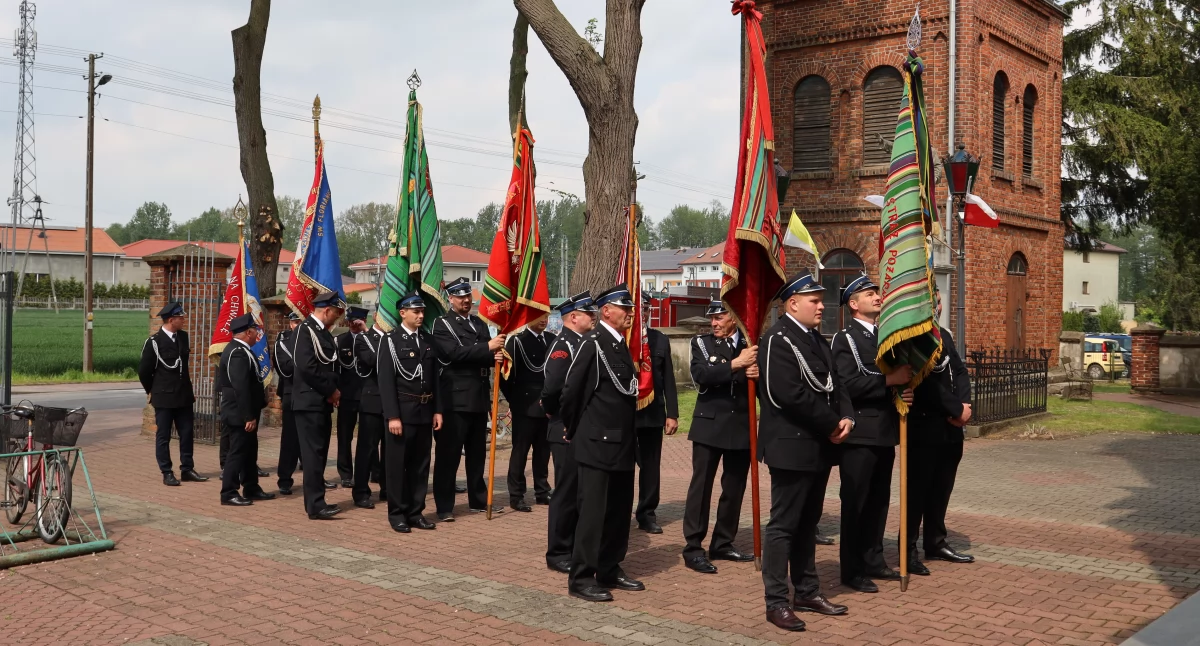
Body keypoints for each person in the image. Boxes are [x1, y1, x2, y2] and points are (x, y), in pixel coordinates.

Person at [758, 273, 853, 632]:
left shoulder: (814, 339)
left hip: (816, 445)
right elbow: (788, 394)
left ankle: (808, 590)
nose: (821, 304)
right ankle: (777, 601)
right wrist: (830, 423)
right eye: (814, 299)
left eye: (820, 298)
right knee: (784, 525)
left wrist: (846, 416)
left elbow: (835, 382)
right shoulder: (777, 340)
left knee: (807, 522)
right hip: (791, 445)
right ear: (793, 303)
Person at [829, 274, 913, 593]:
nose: (877, 296)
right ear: (853, 304)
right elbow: (846, 384)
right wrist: (890, 382)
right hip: (860, 433)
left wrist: (903, 392)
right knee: (856, 503)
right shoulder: (844, 339)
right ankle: (852, 569)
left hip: (884, 432)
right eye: (869, 293)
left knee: (879, 501)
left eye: (877, 292)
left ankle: (874, 560)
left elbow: (895, 379)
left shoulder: (885, 336)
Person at [562, 284, 643, 602]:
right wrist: (574, 428)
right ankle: (581, 577)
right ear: (606, 311)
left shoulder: (619, 344)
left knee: (618, 513)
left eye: (630, 308)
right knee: (593, 515)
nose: (630, 313)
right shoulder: (592, 343)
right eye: (625, 307)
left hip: (622, 444)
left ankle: (609, 567)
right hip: (597, 444)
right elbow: (572, 393)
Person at [681, 299, 756, 574]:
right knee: (701, 488)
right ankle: (693, 548)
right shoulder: (702, 344)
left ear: (734, 318)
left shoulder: (750, 343)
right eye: (711, 319)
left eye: (720, 317)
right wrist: (737, 364)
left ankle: (723, 542)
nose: (714, 323)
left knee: (734, 488)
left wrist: (756, 374)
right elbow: (702, 375)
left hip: (740, 426)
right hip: (709, 425)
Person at [907, 289, 975, 575]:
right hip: (925, 426)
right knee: (918, 491)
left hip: (950, 429)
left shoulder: (942, 334)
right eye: (931, 299)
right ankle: (907, 547)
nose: (937, 303)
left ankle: (935, 541)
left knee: (942, 488)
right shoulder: (913, 338)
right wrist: (955, 409)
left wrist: (966, 404)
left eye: (938, 298)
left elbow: (958, 370)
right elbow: (924, 384)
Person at [431, 277, 506, 521]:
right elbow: (453, 354)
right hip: (455, 399)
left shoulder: (478, 324)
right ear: (450, 299)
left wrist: (494, 355)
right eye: (460, 297)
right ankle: (444, 506)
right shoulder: (442, 325)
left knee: (477, 455)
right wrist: (487, 348)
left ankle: (478, 499)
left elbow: (482, 355)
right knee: (448, 456)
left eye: (468, 296)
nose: (465, 300)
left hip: (478, 398)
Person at [541, 292, 597, 573]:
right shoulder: (564, 345)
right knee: (565, 492)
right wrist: (557, 415)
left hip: (577, 427)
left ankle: (574, 545)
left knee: (579, 490)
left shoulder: (583, 343)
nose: (594, 318)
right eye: (589, 314)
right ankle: (558, 552)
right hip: (563, 428)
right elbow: (552, 389)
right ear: (573, 317)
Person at [378, 292, 443, 533]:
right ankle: (397, 514)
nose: (420, 315)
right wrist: (392, 416)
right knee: (397, 466)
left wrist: (438, 410)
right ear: (402, 313)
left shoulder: (427, 340)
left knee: (420, 465)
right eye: (416, 311)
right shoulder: (391, 341)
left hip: (425, 411)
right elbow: (385, 382)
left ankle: (416, 512)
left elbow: (434, 378)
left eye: (422, 311)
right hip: (402, 414)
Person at [139, 301, 206, 487]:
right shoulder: (154, 342)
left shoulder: (183, 337)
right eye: (180, 317)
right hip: (164, 396)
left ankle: (187, 468)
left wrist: (189, 391)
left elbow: (183, 369)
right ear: (170, 319)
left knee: (187, 433)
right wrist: (152, 390)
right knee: (164, 436)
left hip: (183, 395)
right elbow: (144, 371)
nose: (183, 320)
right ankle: (167, 471)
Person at [293, 290, 346, 520]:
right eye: (335, 313)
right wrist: (331, 390)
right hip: (309, 401)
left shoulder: (321, 332)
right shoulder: (306, 331)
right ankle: (315, 505)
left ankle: (318, 500)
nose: (337, 318)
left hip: (320, 401)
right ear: (326, 310)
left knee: (320, 454)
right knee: (313, 455)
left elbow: (330, 366)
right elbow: (308, 368)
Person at [218, 314, 275, 506]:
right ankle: (228, 492)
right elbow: (240, 387)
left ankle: (251, 486)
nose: (256, 335)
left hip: (245, 411)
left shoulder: (242, 349)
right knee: (238, 451)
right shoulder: (237, 352)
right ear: (248, 332)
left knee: (250, 451)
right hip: (239, 413)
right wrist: (247, 416)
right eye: (255, 331)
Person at [500, 315, 554, 512]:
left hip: (546, 405)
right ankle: (516, 494)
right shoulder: (518, 342)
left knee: (543, 452)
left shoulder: (550, 339)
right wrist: (515, 401)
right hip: (525, 405)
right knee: (520, 452)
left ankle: (542, 491)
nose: (544, 320)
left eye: (546, 316)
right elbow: (506, 376)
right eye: (539, 316)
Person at [633, 292, 678, 534]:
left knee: (651, 468)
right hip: (626, 415)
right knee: (623, 467)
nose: (645, 313)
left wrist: (672, 413)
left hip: (652, 413)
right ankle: (619, 511)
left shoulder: (660, 340)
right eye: (640, 309)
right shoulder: (622, 339)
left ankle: (647, 514)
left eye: (647, 309)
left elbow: (668, 378)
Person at [351, 310, 388, 508]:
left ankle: (387, 488)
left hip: (390, 403)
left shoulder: (393, 338)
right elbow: (374, 361)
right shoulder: (363, 339)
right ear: (376, 316)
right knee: (367, 450)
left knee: (390, 450)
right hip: (372, 403)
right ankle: (361, 492)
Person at [334, 306, 369, 488]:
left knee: (368, 437)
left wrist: (365, 330)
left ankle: (372, 470)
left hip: (366, 395)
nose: (353, 325)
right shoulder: (340, 341)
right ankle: (345, 473)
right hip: (347, 395)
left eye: (356, 321)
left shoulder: (370, 339)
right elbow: (335, 370)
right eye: (350, 322)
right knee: (344, 436)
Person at [274, 312, 302, 495]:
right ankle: (285, 479)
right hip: (292, 394)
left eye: (300, 321)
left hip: (312, 396)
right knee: (290, 440)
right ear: (290, 324)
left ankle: (316, 478)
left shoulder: (313, 339)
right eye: (294, 321)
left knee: (314, 441)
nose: (297, 324)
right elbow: (285, 368)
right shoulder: (283, 342)